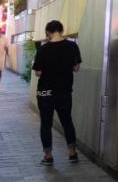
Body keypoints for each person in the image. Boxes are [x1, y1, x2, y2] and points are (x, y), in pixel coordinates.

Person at [31, 20, 81, 165]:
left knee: (46, 123)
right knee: (67, 121)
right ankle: (72, 154)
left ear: (48, 32)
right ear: (62, 30)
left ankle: (48, 156)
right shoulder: (72, 46)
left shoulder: (43, 49)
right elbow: (76, 68)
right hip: (64, 91)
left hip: (45, 92)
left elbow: (38, 73)